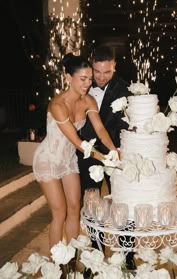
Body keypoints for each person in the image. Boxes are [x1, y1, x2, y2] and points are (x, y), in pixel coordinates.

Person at [32, 53, 117, 249]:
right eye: (82, 79)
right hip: (48, 159)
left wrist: (113, 150)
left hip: (68, 159)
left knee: (74, 208)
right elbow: (78, 142)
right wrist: (105, 159)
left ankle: (71, 258)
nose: (87, 83)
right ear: (69, 78)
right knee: (59, 212)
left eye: (89, 78)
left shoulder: (88, 101)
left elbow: (101, 129)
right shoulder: (57, 105)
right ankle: (57, 265)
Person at [76, 45, 136, 270]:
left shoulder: (125, 89)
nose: (100, 78)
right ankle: (96, 257)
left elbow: (128, 125)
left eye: (107, 72)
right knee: (92, 206)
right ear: (91, 65)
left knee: (123, 204)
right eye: (97, 71)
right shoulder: (81, 84)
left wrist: (117, 152)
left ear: (114, 67)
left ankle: (128, 256)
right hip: (87, 155)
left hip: (115, 155)